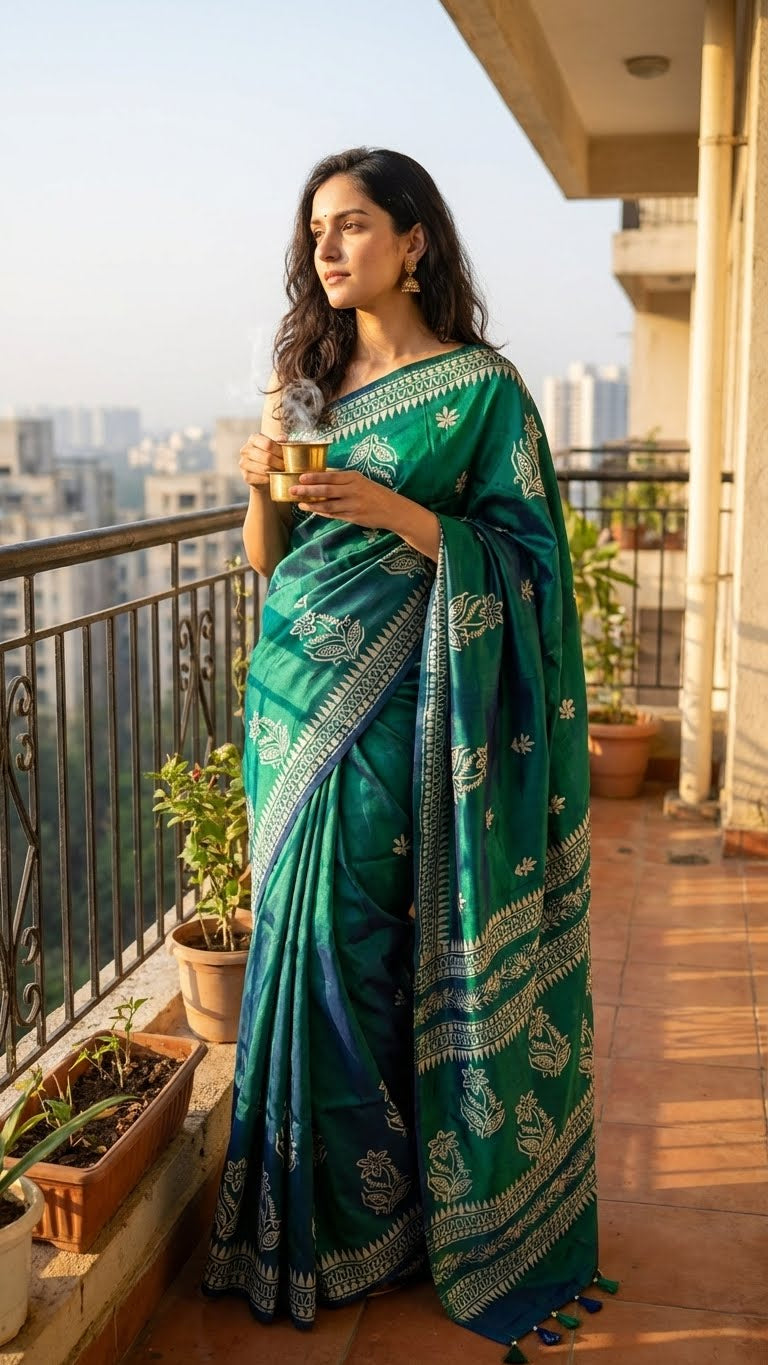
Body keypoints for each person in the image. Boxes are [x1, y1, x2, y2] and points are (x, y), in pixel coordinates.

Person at [202, 147, 601, 1361]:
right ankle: (315, 1223)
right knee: (301, 938)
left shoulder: (480, 392)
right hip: (290, 706)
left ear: (414, 241)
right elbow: (271, 564)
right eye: (316, 230)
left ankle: (391, 1214)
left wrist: (411, 519)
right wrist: (260, 479)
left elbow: (531, 558)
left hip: (404, 711)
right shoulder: (306, 385)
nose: (328, 248)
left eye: (355, 225)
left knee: (356, 944)